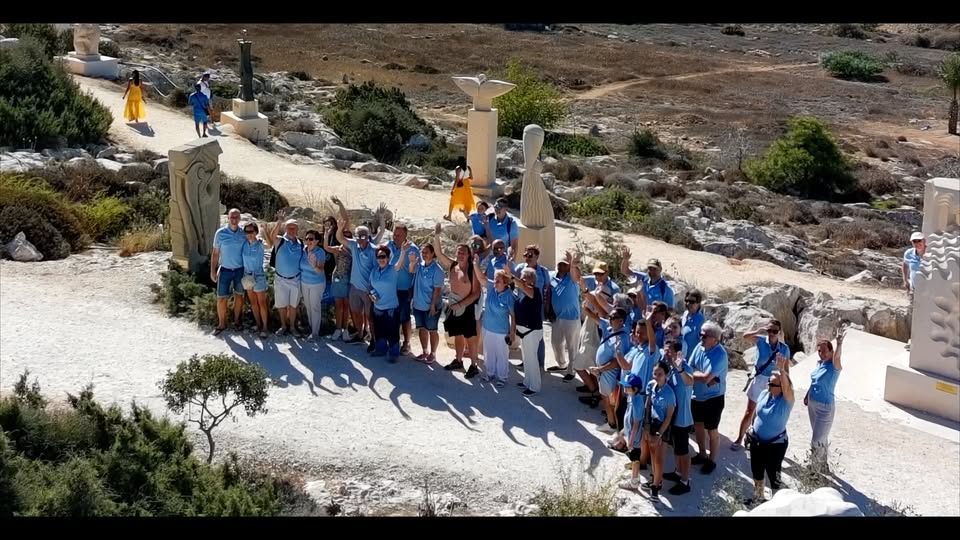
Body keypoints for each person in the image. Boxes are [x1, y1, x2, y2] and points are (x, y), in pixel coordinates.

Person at [732, 319, 791, 451]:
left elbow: (786, 368)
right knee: (750, 411)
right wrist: (758, 331)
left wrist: (786, 384)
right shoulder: (761, 340)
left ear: (779, 332)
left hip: (774, 382)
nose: (771, 334)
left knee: (763, 413)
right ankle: (740, 438)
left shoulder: (784, 348)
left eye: (774, 331)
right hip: (759, 378)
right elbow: (745, 337)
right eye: (769, 330)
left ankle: (753, 439)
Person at [335, 198, 385, 351]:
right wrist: (340, 228)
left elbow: (378, 270)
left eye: (363, 236)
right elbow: (340, 238)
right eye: (358, 236)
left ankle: (374, 340)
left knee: (370, 316)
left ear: (368, 237)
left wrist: (374, 289)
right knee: (356, 312)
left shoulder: (374, 250)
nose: (360, 239)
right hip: (354, 287)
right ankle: (360, 334)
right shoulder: (354, 246)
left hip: (368, 290)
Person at [433, 223, 482, 377]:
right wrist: (437, 235)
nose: (460, 255)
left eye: (463, 253)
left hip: (466, 307)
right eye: (459, 252)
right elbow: (439, 253)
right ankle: (458, 360)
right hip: (453, 305)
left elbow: (476, 293)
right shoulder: (452, 266)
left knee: (470, 338)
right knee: (457, 335)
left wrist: (461, 304)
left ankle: (473, 365)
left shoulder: (472, 270)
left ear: (468, 255)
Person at [746, 355, 794, 505]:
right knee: (757, 471)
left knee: (774, 475)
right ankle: (758, 497)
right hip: (757, 441)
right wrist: (751, 428)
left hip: (775, 445)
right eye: (769, 382)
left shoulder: (786, 401)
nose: (768, 386)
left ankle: (777, 503)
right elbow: (756, 413)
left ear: (781, 388)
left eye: (772, 384)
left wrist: (782, 370)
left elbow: (787, 387)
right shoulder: (764, 394)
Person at [689, 321, 728, 475]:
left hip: (714, 398)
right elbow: (689, 367)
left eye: (704, 336)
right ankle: (701, 454)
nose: (701, 338)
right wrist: (704, 377)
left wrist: (702, 377)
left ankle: (712, 460)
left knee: (712, 430)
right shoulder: (699, 347)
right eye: (700, 334)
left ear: (715, 339)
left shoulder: (720, 354)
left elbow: (705, 377)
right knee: (698, 425)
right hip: (697, 395)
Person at [805, 325, 845, 469]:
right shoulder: (819, 364)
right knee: (821, 437)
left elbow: (838, 357)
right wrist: (807, 395)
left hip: (825, 407)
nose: (821, 354)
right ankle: (823, 465)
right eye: (819, 351)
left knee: (816, 439)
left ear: (831, 351)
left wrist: (839, 343)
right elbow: (814, 381)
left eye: (824, 351)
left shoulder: (834, 367)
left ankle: (814, 469)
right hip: (812, 404)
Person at [587, 308, 631, 433]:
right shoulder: (610, 329)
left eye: (613, 318)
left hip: (610, 373)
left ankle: (613, 425)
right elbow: (594, 317)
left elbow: (617, 361)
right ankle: (611, 422)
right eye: (609, 317)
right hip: (603, 373)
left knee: (610, 400)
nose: (610, 320)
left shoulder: (622, 338)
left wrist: (599, 369)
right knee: (606, 397)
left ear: (621, 321)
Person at [640, 360, 676, 498]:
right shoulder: (651, 385)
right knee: (652, 454)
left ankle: (656, 486)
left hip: (662, 426)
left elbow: (669, 417)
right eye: (655, 373)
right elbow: (648, 405)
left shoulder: (669, 393)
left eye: (660, 374)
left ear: (666, 375)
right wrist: (646, 426)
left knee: (659, 457)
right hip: (651, 423)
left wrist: (659, 434)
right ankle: (655, 478)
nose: (656, 376)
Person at [476, 265, 516, 387]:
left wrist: (512, 332)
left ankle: (502, 377)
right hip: (487, 327)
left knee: (502, 355)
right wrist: (475, 264)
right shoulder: (491, 287)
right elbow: (480, 278)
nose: (495, 283)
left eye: (498, 281)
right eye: (494, 279)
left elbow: (513, 316)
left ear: (505, 283)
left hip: (501, 331)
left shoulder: (509, 296)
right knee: (488, 353)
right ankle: (490, 373)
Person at [664, 339, 694, 495]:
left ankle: (685, 480)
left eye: (669, 351)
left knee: (683, 450)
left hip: (682, 418)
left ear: (677, 353)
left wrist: (680, 369)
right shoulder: (670, 368)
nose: (666, 353)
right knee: (676, 448)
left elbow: (690, 381)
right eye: (665, 350)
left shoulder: (684, 367)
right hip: (673, 416)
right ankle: (678, 472)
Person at [369, 244, 410, 362]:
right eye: (379, 257)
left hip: (391, 308)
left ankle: (393, 353)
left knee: (392, 332)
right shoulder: (374, 271)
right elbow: (370, 286)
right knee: (379, 330)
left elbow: (400, 263)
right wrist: (372, 295)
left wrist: (403, 251)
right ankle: (381, 350)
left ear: (388, 258)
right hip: (377, 307)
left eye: (384, 256)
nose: (381, 259)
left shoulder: (393, 270)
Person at [547, 251, 582, 383]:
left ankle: (571, 370)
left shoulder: (572, 278)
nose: (562, 266)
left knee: (572, 346)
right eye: (560, 264)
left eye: (565, 264)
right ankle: (562, 364)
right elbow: (549, 293)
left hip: (571, 318)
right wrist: (549, 310)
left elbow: (576, 274)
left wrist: (572, 263)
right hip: (557, 316)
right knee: (556, 343)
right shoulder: (552, 277)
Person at [211, 208, 246, 336]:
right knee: (221, 298)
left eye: (236, 217)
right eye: (232, 217)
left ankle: (236, 322)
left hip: (240, 270)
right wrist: (213, 270)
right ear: (228, 218)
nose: (234, 219)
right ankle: (221, 324)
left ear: (240, 219)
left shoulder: (243, 234)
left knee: (239, 297)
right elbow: (215, 253)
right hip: (225, 269)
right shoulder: (220, 233)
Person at [510, 266, 544, 395]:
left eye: (525, 277)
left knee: (531, 359)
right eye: (521, 277)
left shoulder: (535, 292)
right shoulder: (522, 293)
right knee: (526, 358)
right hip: (524, 331)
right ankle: (527, 381)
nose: (522, 280)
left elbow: (522, 286)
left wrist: (512, 276)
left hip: (531, 331)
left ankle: (534, 386)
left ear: (531, 280)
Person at [387, 222, 420, 355]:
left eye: (399, 235)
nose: (395, 237)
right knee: (391, 316)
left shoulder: (413, 249)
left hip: (404, 289)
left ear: (406, 236)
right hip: (390, 289)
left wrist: (413, 289)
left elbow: (416, 271)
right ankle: (394, 341)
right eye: (394, 234)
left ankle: (406, 343)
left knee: (404, 317)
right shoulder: (389, 246)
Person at [410, 243, 445, 363]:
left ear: (432, 253)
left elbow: (437, 289)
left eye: (426, 252)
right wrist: (412, 262)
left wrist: (433, 305)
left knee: (432, 330)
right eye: (422, 252)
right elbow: (411, 270)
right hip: (418, 304)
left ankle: (433, 353)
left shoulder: (437, 270)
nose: (424, 254)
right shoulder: (419, 266)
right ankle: (425, 351)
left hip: (431, 306)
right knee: (422, 329)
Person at [270, 217, 303, 337]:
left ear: (297, 229)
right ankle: (283, 326)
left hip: (295, 279)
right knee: (282, 305)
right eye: (289, 228)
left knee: (293, 305)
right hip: (281, 279)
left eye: (294, 228)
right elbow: (272, 235)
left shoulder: (301, 244)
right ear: (285, 228)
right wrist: (279, 222)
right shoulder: (280, 241)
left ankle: (293, 327)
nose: (292, 230)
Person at [323, 216, 353, 341]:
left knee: (346, 305)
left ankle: (345, 329)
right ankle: (338, 328)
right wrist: (326, 235)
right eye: (344, 236)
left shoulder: (354, 250)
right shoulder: (338, 249)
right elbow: (326, 247)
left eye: (349, 237)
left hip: (349, 279)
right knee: (338, 305)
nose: (347, 239)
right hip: (338, 278)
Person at [618, 373, 647, 491]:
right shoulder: (632, 397)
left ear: (635, 389)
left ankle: (634, 481)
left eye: (628, 386)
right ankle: (635, 475)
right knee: (633, 457)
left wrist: (630, 441)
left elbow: (636, 424)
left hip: (635, 438)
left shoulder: (637, 402)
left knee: (635, 458)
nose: (625, 388)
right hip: (630, 434)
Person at [300, 229, 330, 341]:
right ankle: (312, 328)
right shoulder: (303, 250)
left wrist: (313, 265)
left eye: (311, 239)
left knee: (315, 307)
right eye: (306, 239)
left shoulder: (320, 252)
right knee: (308, 307)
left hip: (316, 284)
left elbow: (320, 270)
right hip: (304, 283)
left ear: (317, 241)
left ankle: (315, 333)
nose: (308, 241)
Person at [241, 222, 270, 338]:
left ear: (256, 232)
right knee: (253, 302)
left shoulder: (260, 244)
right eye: (246, 232)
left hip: (258, 276)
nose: (249, 234)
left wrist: (265, 231)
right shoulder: (244, 244)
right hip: (247, 276)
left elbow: (270, 244)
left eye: (251, 231)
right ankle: (258, 324)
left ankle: (265, 327)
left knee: (261, 303)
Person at [444, 157, 475, 221]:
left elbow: (457, 180)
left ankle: (449, 216)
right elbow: (471, 178)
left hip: (460, 186)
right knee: (467, 201)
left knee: (452, 200)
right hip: (467, 186)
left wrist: (452, 189)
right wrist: (466, 178)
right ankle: (467, 218)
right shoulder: (469, 168)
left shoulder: (458, 169)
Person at [680, 289, 705, 358]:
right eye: (686, 301)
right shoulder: (685, 314)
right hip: (682, 357)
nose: (688, 304)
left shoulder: (700, 320)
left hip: (692, 358)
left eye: (692, 302)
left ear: (698, 303)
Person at [902, 232, 926, 297]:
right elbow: (905, 265)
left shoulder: (932, 253)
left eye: (919, 240)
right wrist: (905, 280)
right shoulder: (908, 253)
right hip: (914, 290)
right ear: (912, 242)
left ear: (924, 241)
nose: (917, 243)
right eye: (914, 241)